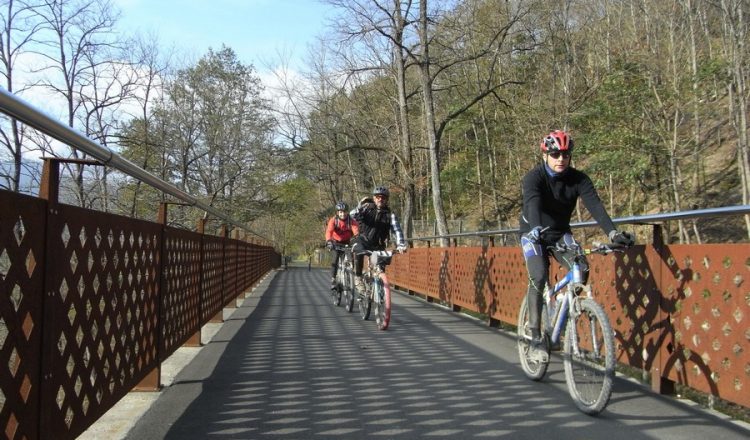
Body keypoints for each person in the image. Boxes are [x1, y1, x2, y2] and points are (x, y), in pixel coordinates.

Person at [519, 129, 634, 362]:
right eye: (555, 154)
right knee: (539, 276)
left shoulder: (579, 179)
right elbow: (532, 203)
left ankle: (563, 314)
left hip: (561, 233)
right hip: (534, 232)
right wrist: (535, 227)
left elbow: (596, 206)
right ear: (545, 156)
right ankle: (535, 337)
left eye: (565, 154)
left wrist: (613, 233)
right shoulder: (534, 178)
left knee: (581, 267)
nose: (560, 159)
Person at [350, 186, 407, 294]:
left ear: (387, 200)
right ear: (374, 198)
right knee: (359, 250)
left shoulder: (390, 215)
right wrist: (360, 206)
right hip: (363, 240)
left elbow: (397, 230)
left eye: (383, 198)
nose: (380, 199)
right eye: (378, 197)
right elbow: (352, 215)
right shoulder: (367, 208)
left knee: (379, 267)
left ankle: (379, 291)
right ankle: (358, 278)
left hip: (378, 245)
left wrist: (401, 245)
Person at [325, 201, 360, 289]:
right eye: (340, 212)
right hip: (335, 242)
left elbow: (356, 231)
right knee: (335, 259)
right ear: (337, 213)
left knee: (351, 259)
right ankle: (333, 279)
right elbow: (329, 231)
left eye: (344, 212)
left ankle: (351, 277)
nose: (343, 214)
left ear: (347, 212)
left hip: (347, 242)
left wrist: (358, 240)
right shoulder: (333, 220)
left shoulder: (351, 221)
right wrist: (329, 241)